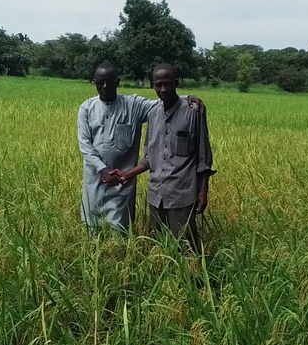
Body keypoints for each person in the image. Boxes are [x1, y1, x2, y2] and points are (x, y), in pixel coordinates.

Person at [77, 62, 203, 234]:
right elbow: (85, 145)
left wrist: (188, 97)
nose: (105, 87)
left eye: (110, 82)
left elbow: (164, 99)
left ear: (118, 82)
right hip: (94, 179)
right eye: (100, 83)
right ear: (94, 83)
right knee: (92, 226)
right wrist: (103, 169)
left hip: (122, 182)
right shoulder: (86, 108)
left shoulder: (133, 105)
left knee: (119, 229)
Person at [112, 63, 216, 252]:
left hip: (182, 194)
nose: (163, 89)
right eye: (158, 85)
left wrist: (203, 192)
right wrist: (127, 175)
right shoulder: (152, 114)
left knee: (186, 247)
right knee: (158, 247)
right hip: (156, 194)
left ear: (176, 83)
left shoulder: (194, 111)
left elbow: (203, 157)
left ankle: (196, 280)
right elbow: (149, 158)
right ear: (153, 85)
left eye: (168, 84)